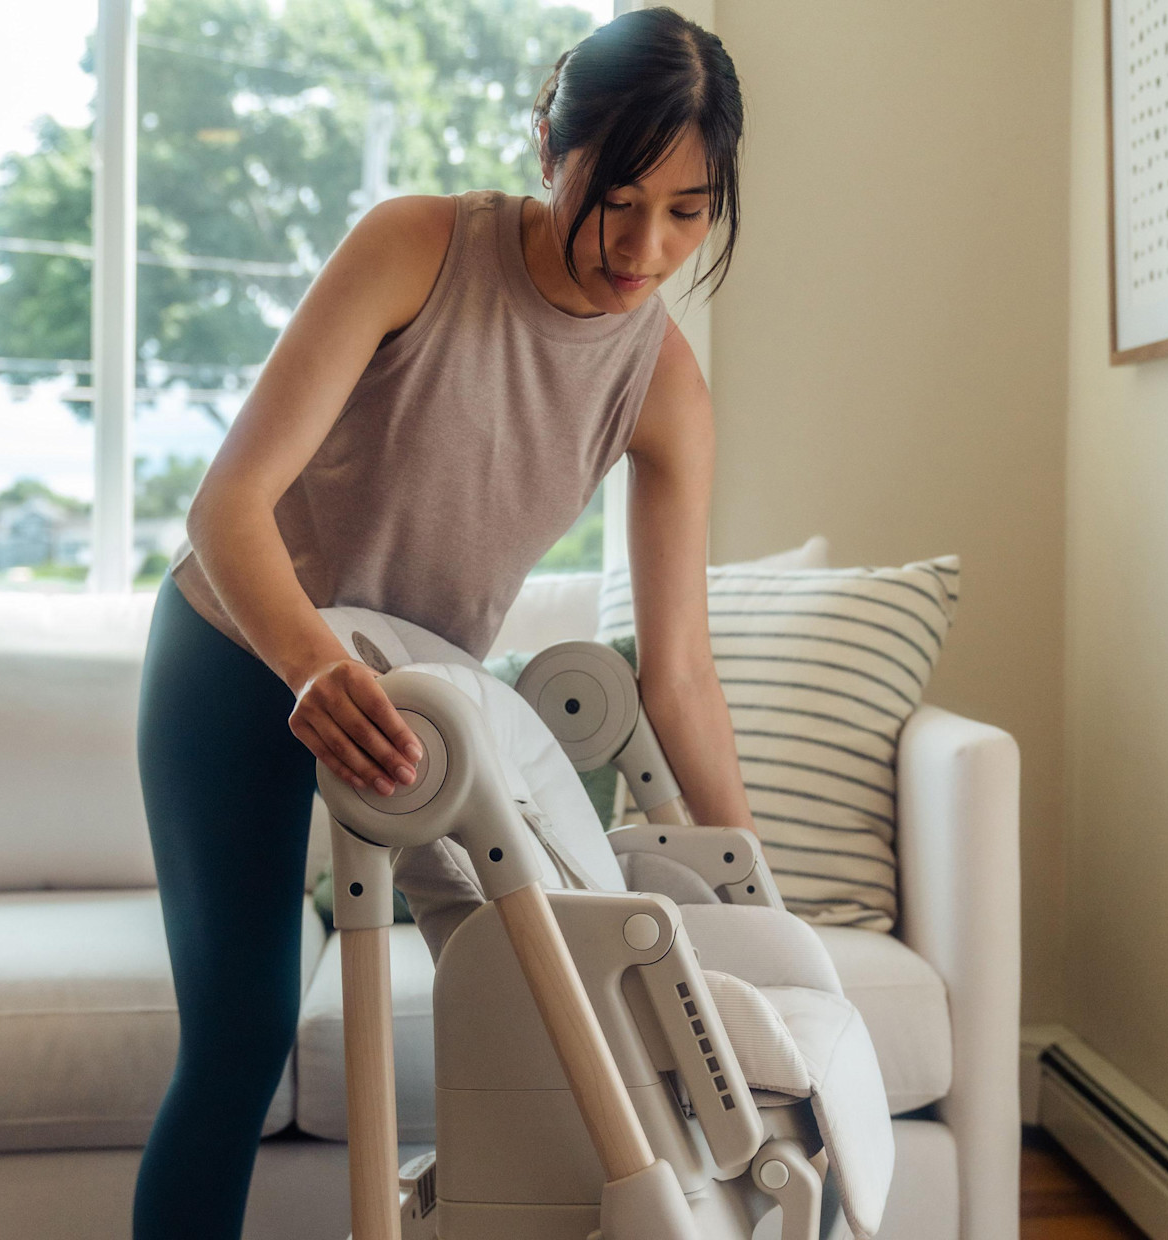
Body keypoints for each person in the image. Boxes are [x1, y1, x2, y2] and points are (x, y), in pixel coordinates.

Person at [132, 7, 751, 1237]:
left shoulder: (665, 383)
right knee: (242, 1036)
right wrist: (310, 667)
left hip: (414, 704)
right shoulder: (417, 245)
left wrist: (746, 879)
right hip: (243, 657)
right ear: (546, 147)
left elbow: (678, 668)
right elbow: (228, 506)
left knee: (535, 1039)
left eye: (687, 210)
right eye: (616, 197)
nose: (644, 246)